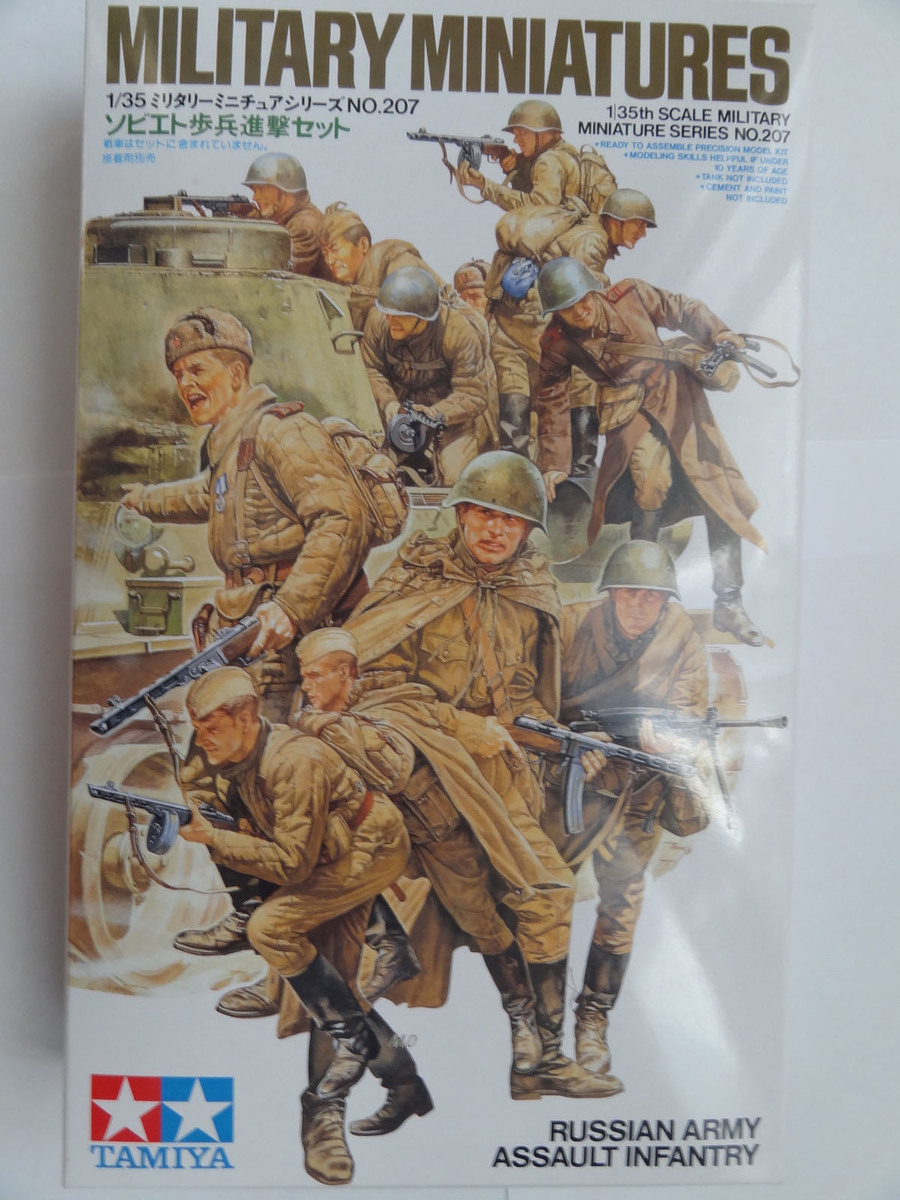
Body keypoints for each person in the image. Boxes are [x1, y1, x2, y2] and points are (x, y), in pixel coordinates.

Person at [120, 307, 378, 1011]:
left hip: (284, 637)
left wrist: (291, 606)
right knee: (210, 774)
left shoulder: (281, 431)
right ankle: (252, 913)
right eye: (179, 373)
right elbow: (211, 498)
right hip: (243, 630)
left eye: (199, 369)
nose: (187, 383)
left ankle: (290, 973)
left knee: (282, 802)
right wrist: (145, 500)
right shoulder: (231, 445)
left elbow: (341, 517)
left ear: (236, 372)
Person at [346, 451, 622, 1100]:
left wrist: (570, 742)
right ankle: (526, 1042)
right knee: (471, 903)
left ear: (528, 531)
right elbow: (371, 687)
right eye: (484, 514)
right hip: (420, 773)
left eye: (512, 520)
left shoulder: (531, 593)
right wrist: (462, 728)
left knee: (544, 896)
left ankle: (540, 1056)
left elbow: (531, 701)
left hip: (499, 777)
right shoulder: (416, 578)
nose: (496, 530)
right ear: (462, 513)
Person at [294, 627, 566, 1100]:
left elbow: (430, 732)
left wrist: (484, 731)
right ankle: (510, 1022)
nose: (307, 685)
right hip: (399, 847)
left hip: (454, 825)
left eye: (316, 675)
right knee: (460, 926)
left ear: (344, 672)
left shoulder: (395, 700)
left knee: (509, 911)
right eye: (304, 676)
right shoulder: (314, 728)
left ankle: (531, 1028)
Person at [174, 667, 417, 1185]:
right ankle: (402, 1078)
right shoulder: (233, 752)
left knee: (272, 929)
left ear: (246, 718)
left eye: (211, 727)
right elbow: (200, 787)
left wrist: (215, 839)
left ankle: (328, 1102)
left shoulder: (293, 760)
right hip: (326, 848)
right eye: (197, 728)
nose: (203, 738)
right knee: (328, 975)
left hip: (368, 849)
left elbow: (291, 864)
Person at [533, 259, 767, 645]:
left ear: (593, 290)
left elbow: (681, 308)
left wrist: (720, 332)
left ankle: (729, 603)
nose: (581, 310)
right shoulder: (557, 343)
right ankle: (643, 599)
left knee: (718, 494)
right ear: (556, 313)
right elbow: (551, 399)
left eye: (584, 299)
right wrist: (554, 464)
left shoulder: (632, 295)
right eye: (569, 308)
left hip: (677, 396)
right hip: (629, 412)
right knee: (650, 485)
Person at [547, 540, 713, 1081]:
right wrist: (574, 740)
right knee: (544, 895)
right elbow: (534, 702)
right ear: (610, 593)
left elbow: (688, 712)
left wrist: (667, 738)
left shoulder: (682, 640)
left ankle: (594, 1018)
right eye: (629, 594)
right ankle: (542, 1024)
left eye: (652, 596)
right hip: (568, 781)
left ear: (666, 601)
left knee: (621, 905)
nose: (639, 606)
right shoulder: (571, 625)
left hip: (638, 789)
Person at [455, 99, 618, 460]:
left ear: (540, 133)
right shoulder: (563, 156)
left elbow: (537, 209)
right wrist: (512, 163)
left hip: (538, 282)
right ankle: (581, 465)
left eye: (520, 134)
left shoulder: (549, 162)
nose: (515, 139)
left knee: (513, 359)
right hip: (560, 274)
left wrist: (485, 185)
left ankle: (521, 461)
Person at [362, 267, 499, 486]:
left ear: (423, 316)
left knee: (456, 480)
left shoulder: (458, 332)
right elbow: (372, 369)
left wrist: (434, 415)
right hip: (401, 411)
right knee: (376, 472)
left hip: (452, 416)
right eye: (387, 312)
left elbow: (473, 394)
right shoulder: (379, 321)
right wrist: (389, 404)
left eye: (400, 315)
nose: (390, 320)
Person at [319, 203, 441, 329]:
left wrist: (350, 295)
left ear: (363, 245)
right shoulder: (344, 282)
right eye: (325, 253)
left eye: (335, 249)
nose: (329, 260)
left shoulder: (394, 258)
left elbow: (412, 300)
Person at [241, 152, 327, 277]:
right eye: (254, 190)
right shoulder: (286, 216)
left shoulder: (304, 225)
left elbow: (278, 268)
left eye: (262, 189)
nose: (255, 197)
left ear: (284, 190)